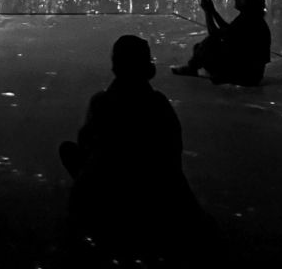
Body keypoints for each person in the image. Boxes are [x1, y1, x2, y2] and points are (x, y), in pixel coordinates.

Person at [60, 35, 210, 262]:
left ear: (115, 64)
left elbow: (86, 145)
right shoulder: (158, 104)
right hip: (154, 200)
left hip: (109, 198)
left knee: (68, 151)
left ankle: (105, 215)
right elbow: (172, 155)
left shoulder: (102, 103)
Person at [172, 0, 271, 85]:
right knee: (201, 48)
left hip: (245, 76)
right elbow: (228, 29)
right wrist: (213, 11)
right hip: (253, 75)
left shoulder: (248, 20)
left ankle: (193, 68)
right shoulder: (251, 18)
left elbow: (214, 34)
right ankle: (197, 68)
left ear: (245, 1)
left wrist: (208, 12)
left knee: (209, 44)